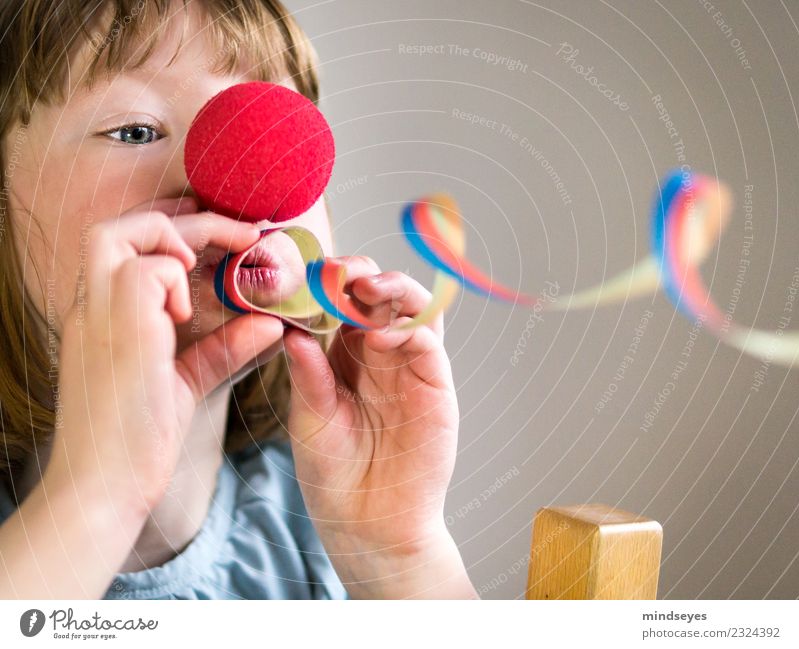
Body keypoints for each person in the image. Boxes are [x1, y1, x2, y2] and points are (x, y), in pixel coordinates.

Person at [0, 0, 478, 599]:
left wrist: (398, 558)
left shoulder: (325, 537)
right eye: (134, 132)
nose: (237, 178)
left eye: (271, 134)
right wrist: (96, 499)